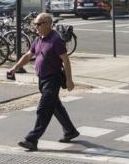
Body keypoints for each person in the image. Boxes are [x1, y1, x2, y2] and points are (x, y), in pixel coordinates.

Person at [7, 12, 79, 151]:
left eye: (39, 24)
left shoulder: (55, 40)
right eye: (35, 24)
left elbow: (66, 60)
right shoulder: (39, 39)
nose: (36, 26)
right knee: (55, 106)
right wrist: (15, 68)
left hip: (53, 79)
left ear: (47, 24)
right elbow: (29, 55)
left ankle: (32, 139)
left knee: (43, 108)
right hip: (42, 79)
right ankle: (70, 131)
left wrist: (69, 80)